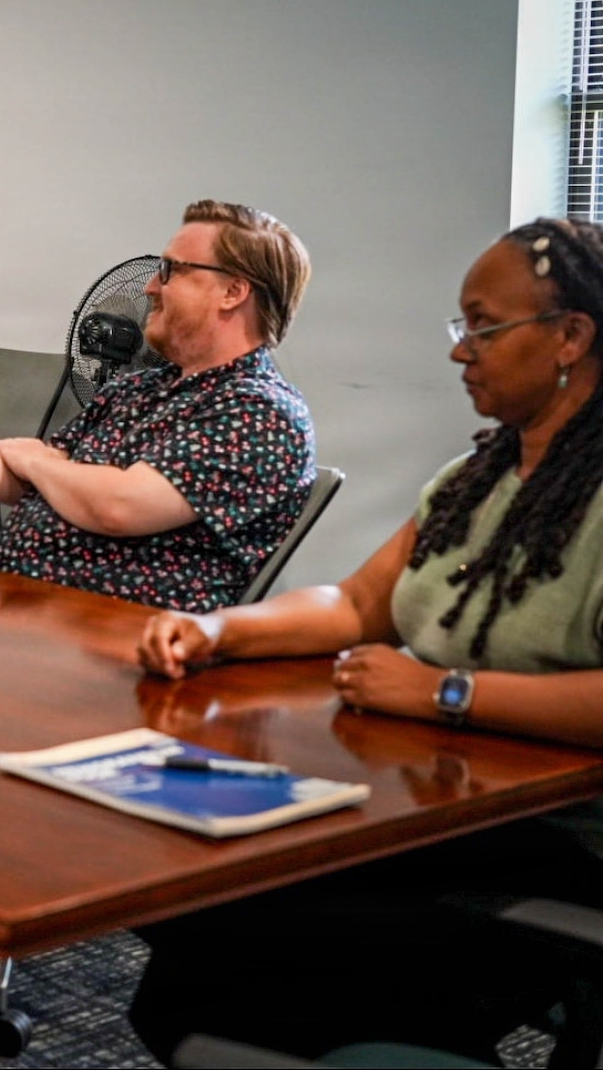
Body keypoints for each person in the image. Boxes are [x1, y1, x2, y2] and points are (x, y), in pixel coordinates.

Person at [128, 218, 603, 1065]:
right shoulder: (476, 480)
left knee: (252, 933)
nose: (461, 353)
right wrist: (219, 629)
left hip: (564, 845)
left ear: (571, 336)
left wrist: (443, 693)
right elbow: (357, 603)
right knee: (198, 892)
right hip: (442, 809)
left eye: (483, 328)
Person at [0, 200, 316, 612]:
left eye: (172, 269)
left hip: (120, 644)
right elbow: (27, 487)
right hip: (22, 613)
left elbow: (119, 506)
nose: (152, 286)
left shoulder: (259, 412)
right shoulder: (138, 388)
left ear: (234, 291)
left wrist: (40, 461)